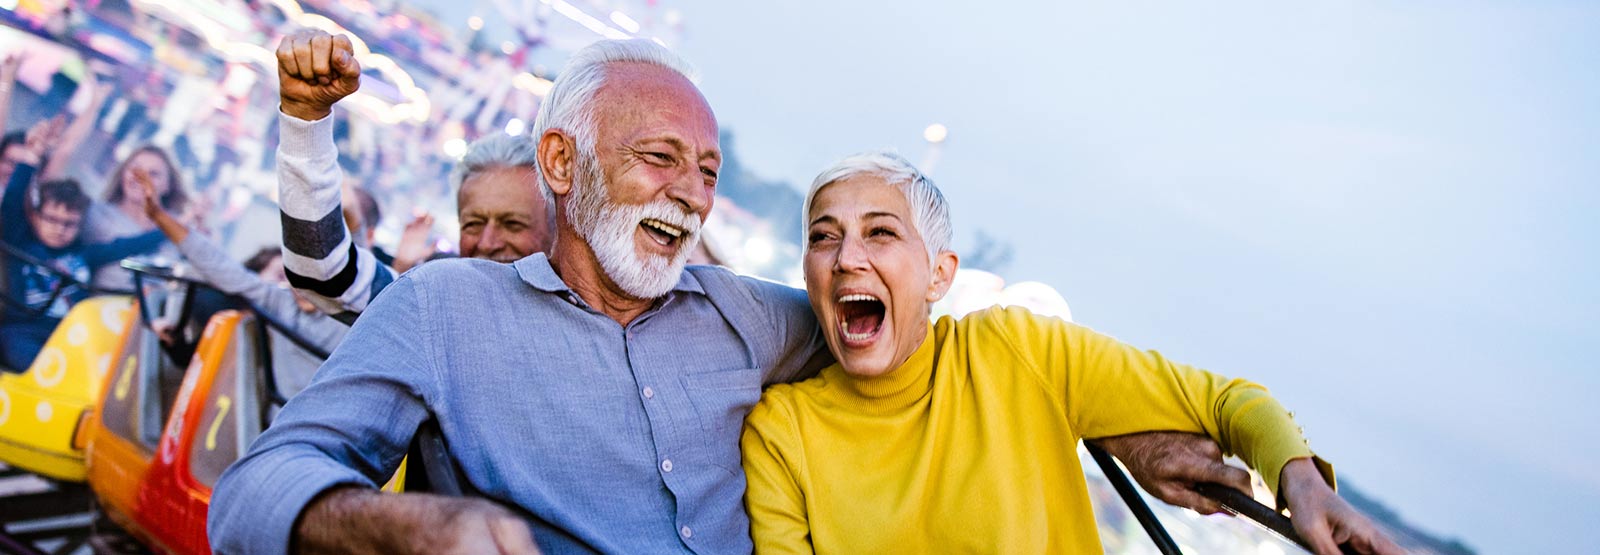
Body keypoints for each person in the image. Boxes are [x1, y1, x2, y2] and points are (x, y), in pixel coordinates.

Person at [210, 32, 1269, 554]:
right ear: (564, 163)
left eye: (707, 172)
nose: (690, 193)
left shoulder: (750, 317)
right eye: (660, 158)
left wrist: (1133, 436)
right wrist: (419, 530)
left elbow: (928, 340)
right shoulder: (444, 311)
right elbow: (255, 492)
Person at [740, 151, 1403, 555]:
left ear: (940, 274)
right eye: (824, 238)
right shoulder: (782, 433)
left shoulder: (1016, 349)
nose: (848, 256)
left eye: (880, 233)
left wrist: (1302, 484)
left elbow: (1230, 402)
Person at [277, 95, 552, 319]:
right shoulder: (431, 306)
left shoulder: (576, 327)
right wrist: (304, 115)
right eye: (473, 224)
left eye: (513, 224)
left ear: (554, 233)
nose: (488, 242)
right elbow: (321, 274)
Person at [137, 169, 347, 396]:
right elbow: (217, 264)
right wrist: (158, 215)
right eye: (293, 270)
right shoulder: (281, 303)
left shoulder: (349, 318)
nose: (297, 282)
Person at [0, 120, 165, 370]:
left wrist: (173, 228)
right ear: (37, 216)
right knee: (22, 352)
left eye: (69, 223)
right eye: (53, 220)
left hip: (73, 334)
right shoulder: (21, 242)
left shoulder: (83, 256)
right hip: (24, 329)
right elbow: (12, 203)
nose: (59, 228)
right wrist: (31, 158)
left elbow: (128, 246)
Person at [83, 144, 191, 291]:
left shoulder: (182, 225)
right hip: (101, 306)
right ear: (123, 173)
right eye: (135, 169)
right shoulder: (97, 214)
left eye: (153, 174)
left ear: (168, 185)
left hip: (156, 310)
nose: (141, 177)